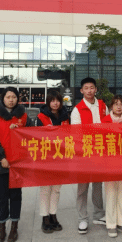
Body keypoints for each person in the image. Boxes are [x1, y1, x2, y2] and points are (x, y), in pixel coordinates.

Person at [0, 87, 31, 242]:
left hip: (18, 163)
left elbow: (32, 134)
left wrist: (20, 131)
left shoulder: (23, 116)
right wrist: (1, 157)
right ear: (3, 98)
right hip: (2, 164)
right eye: (8, 97)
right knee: (2, 196)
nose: (11, 100)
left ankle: (14, 227)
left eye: (14, 97)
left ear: (18, 99)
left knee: (16, 195)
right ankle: (2, 228)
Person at [70, 77, 109, 235]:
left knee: (98, 185)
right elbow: (76, 134)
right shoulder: (77, 110)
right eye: (86, 88)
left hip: (99, 152)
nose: (89, 90)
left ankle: (99, 214)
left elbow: (109, 126)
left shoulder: (103, 106)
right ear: (81, 91)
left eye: (92, 87)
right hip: (84, 153)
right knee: (82, 188)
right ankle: (82, 218)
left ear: (95, 89)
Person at [36, 91, 70, 234]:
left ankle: (53, 215)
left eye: (57, 100)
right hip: (46, 158)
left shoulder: (66, 116)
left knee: (56, 189)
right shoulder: (41, 117)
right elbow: (36, 137)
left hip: (60, 157)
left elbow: (70, 135)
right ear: (48, 102)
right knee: (45, 189)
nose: (55, 103)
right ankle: (45, 218)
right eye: (52, 100)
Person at [102, 95, 122, 238]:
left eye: (121, 104)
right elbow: (101, 141)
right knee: (110, 193)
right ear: (111, 107)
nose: (118, 107)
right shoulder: (104, 121)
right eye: (116, 104)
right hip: (108, 162)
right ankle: (111, 224)